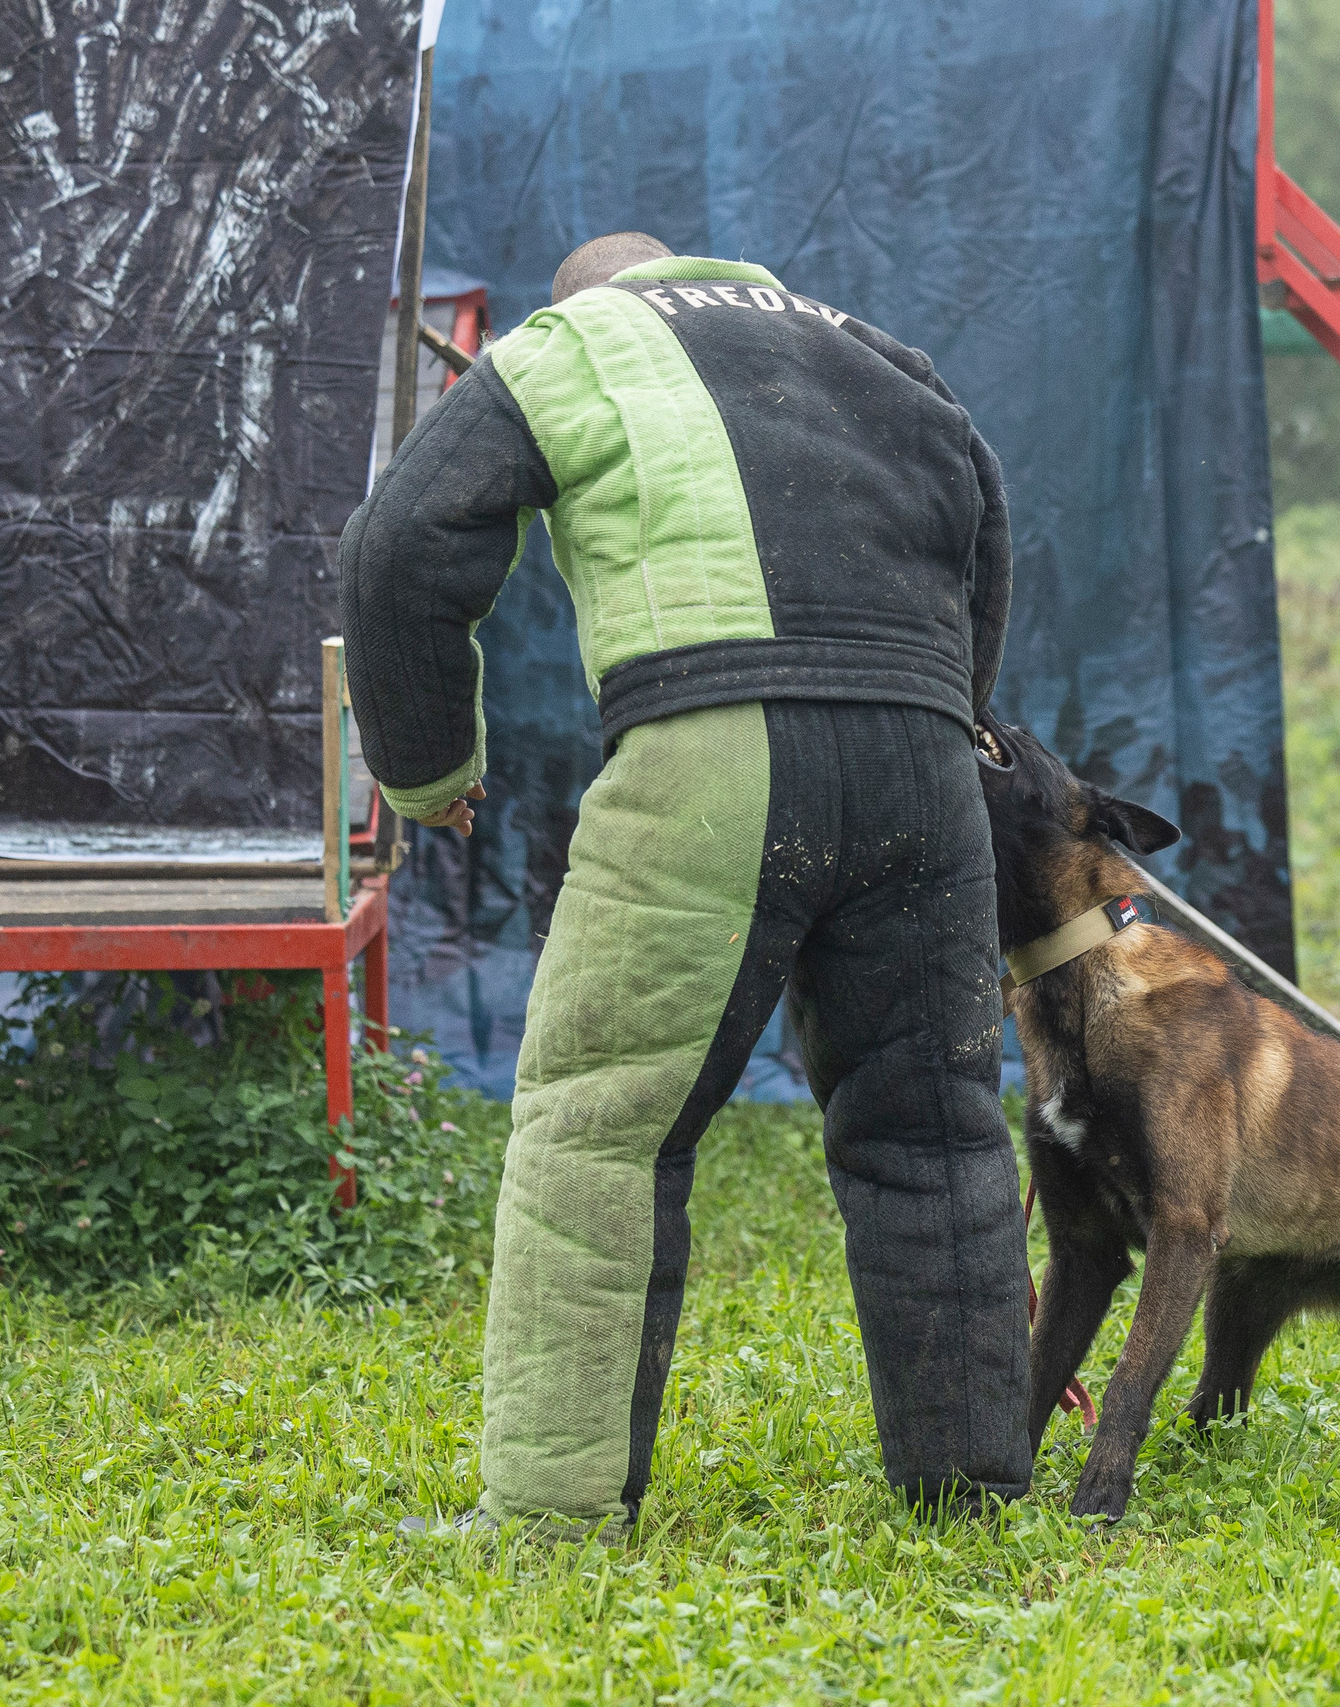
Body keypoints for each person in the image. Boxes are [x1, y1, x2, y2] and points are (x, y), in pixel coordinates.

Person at [341, 232, 1030, 1537]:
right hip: (924, 764)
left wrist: (428, 772)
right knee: (933, 1133)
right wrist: (948, 714)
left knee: (599, 1130)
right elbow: (983, 536)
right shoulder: (880, 355)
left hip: (712, 750)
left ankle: (550, 1515)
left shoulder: (568, 348)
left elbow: (396, 547)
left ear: (589, 298)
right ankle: (972, 1493)